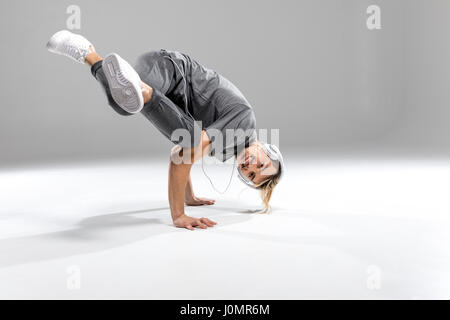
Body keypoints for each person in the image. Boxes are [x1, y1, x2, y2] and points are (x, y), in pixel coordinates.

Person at [46, 30, 284, 230]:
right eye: (261, 164)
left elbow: (176, 153)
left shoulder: (229, 147)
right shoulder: (244, 123)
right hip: (168, 68)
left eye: (251, 176)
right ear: (267, 149)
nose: (251, 168)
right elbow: (183, 155)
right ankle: (141, 90)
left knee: (126, 105)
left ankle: (91, 56)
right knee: (188, 138)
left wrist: (189, 196)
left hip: (160, 80)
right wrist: (179, 214)